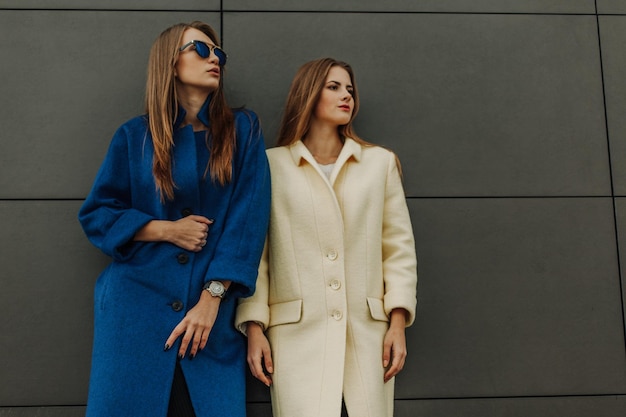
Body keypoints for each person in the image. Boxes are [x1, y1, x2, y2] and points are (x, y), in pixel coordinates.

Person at [78, 21, 270, 417]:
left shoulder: (243, 131)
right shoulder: (134, 137)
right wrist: (168, 230)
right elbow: (97, 213)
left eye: (219, 52)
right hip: (134, 312)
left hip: (209, 316)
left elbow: (247, 221)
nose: (214, 57)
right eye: (200, 49)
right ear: (171, 61)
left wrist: (212, 298)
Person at [235, 57, 418, 417]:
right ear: (308, 94)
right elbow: (258, 256)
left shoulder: (379, 164)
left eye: (349, 88)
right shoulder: (271, 166)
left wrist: (398, 323)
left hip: (368, 337)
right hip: (296, 338)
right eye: (333, 87)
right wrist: (254, 327)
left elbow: (397, 250)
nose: (346, 95)